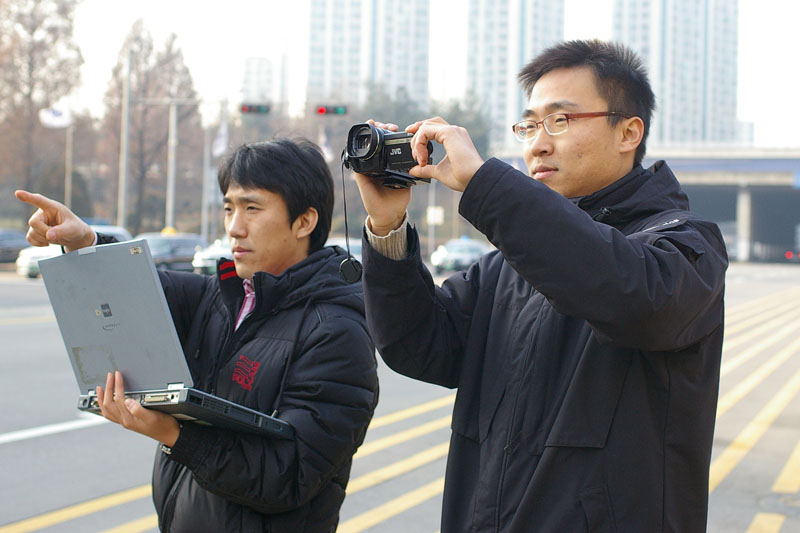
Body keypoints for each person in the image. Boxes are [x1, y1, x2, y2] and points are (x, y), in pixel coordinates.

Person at [354, 40, 727, 532]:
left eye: (560, 121)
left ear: (628, 132)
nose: (537, 143)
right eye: (529, 125)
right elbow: (420, 347)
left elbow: (632, 297)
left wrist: (489, 185)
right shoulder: (509, 263)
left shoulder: (683, 246)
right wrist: (388, 227)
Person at [16, 138, 378, 532]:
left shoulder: (337, 333)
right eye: (228, 208)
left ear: (304, 221)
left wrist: (174, 434)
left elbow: (288, 476)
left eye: (252, 208)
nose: (234, 227)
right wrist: (83, 239)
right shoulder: (220, 296)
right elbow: (138, 290)